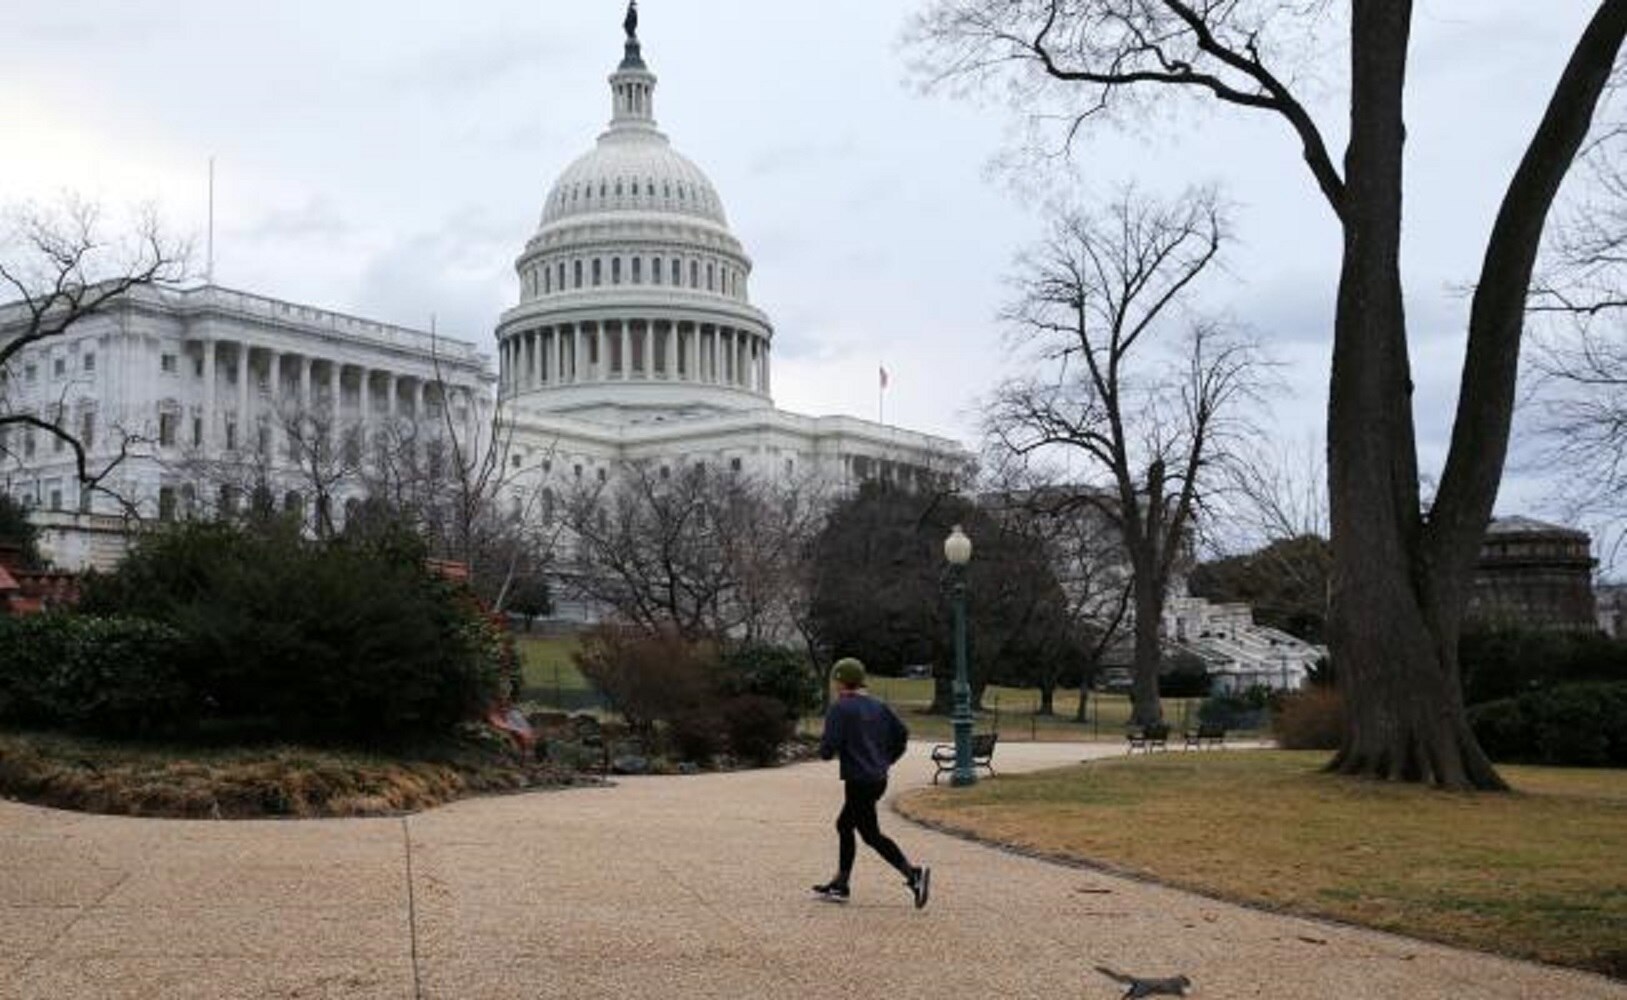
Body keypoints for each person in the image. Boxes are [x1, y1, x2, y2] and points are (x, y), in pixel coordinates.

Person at [812, 657, 930, 908]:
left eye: (836, 679)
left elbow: (827, 749)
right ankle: (840, 882)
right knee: (847, 826)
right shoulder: (878, 706)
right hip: (877, 778)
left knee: (868, 834)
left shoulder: (841, 708)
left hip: (858, 779)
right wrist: (886, 760)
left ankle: (913, 875)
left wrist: (825, 749)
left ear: (841, 681)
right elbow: (902, 734)